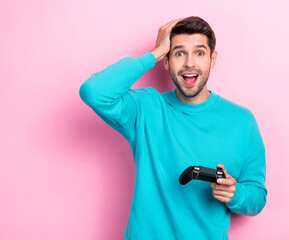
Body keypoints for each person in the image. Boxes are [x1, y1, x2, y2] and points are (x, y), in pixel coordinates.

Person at [79, 16, 267, 240]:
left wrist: (235, 194)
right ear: (166, 61)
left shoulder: (242, 121)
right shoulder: (146, 107)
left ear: (212, 58)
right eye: (179, 53)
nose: (189, 63)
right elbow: (94, 91)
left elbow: (257, 196)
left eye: (199, 53)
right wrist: (155, 53)